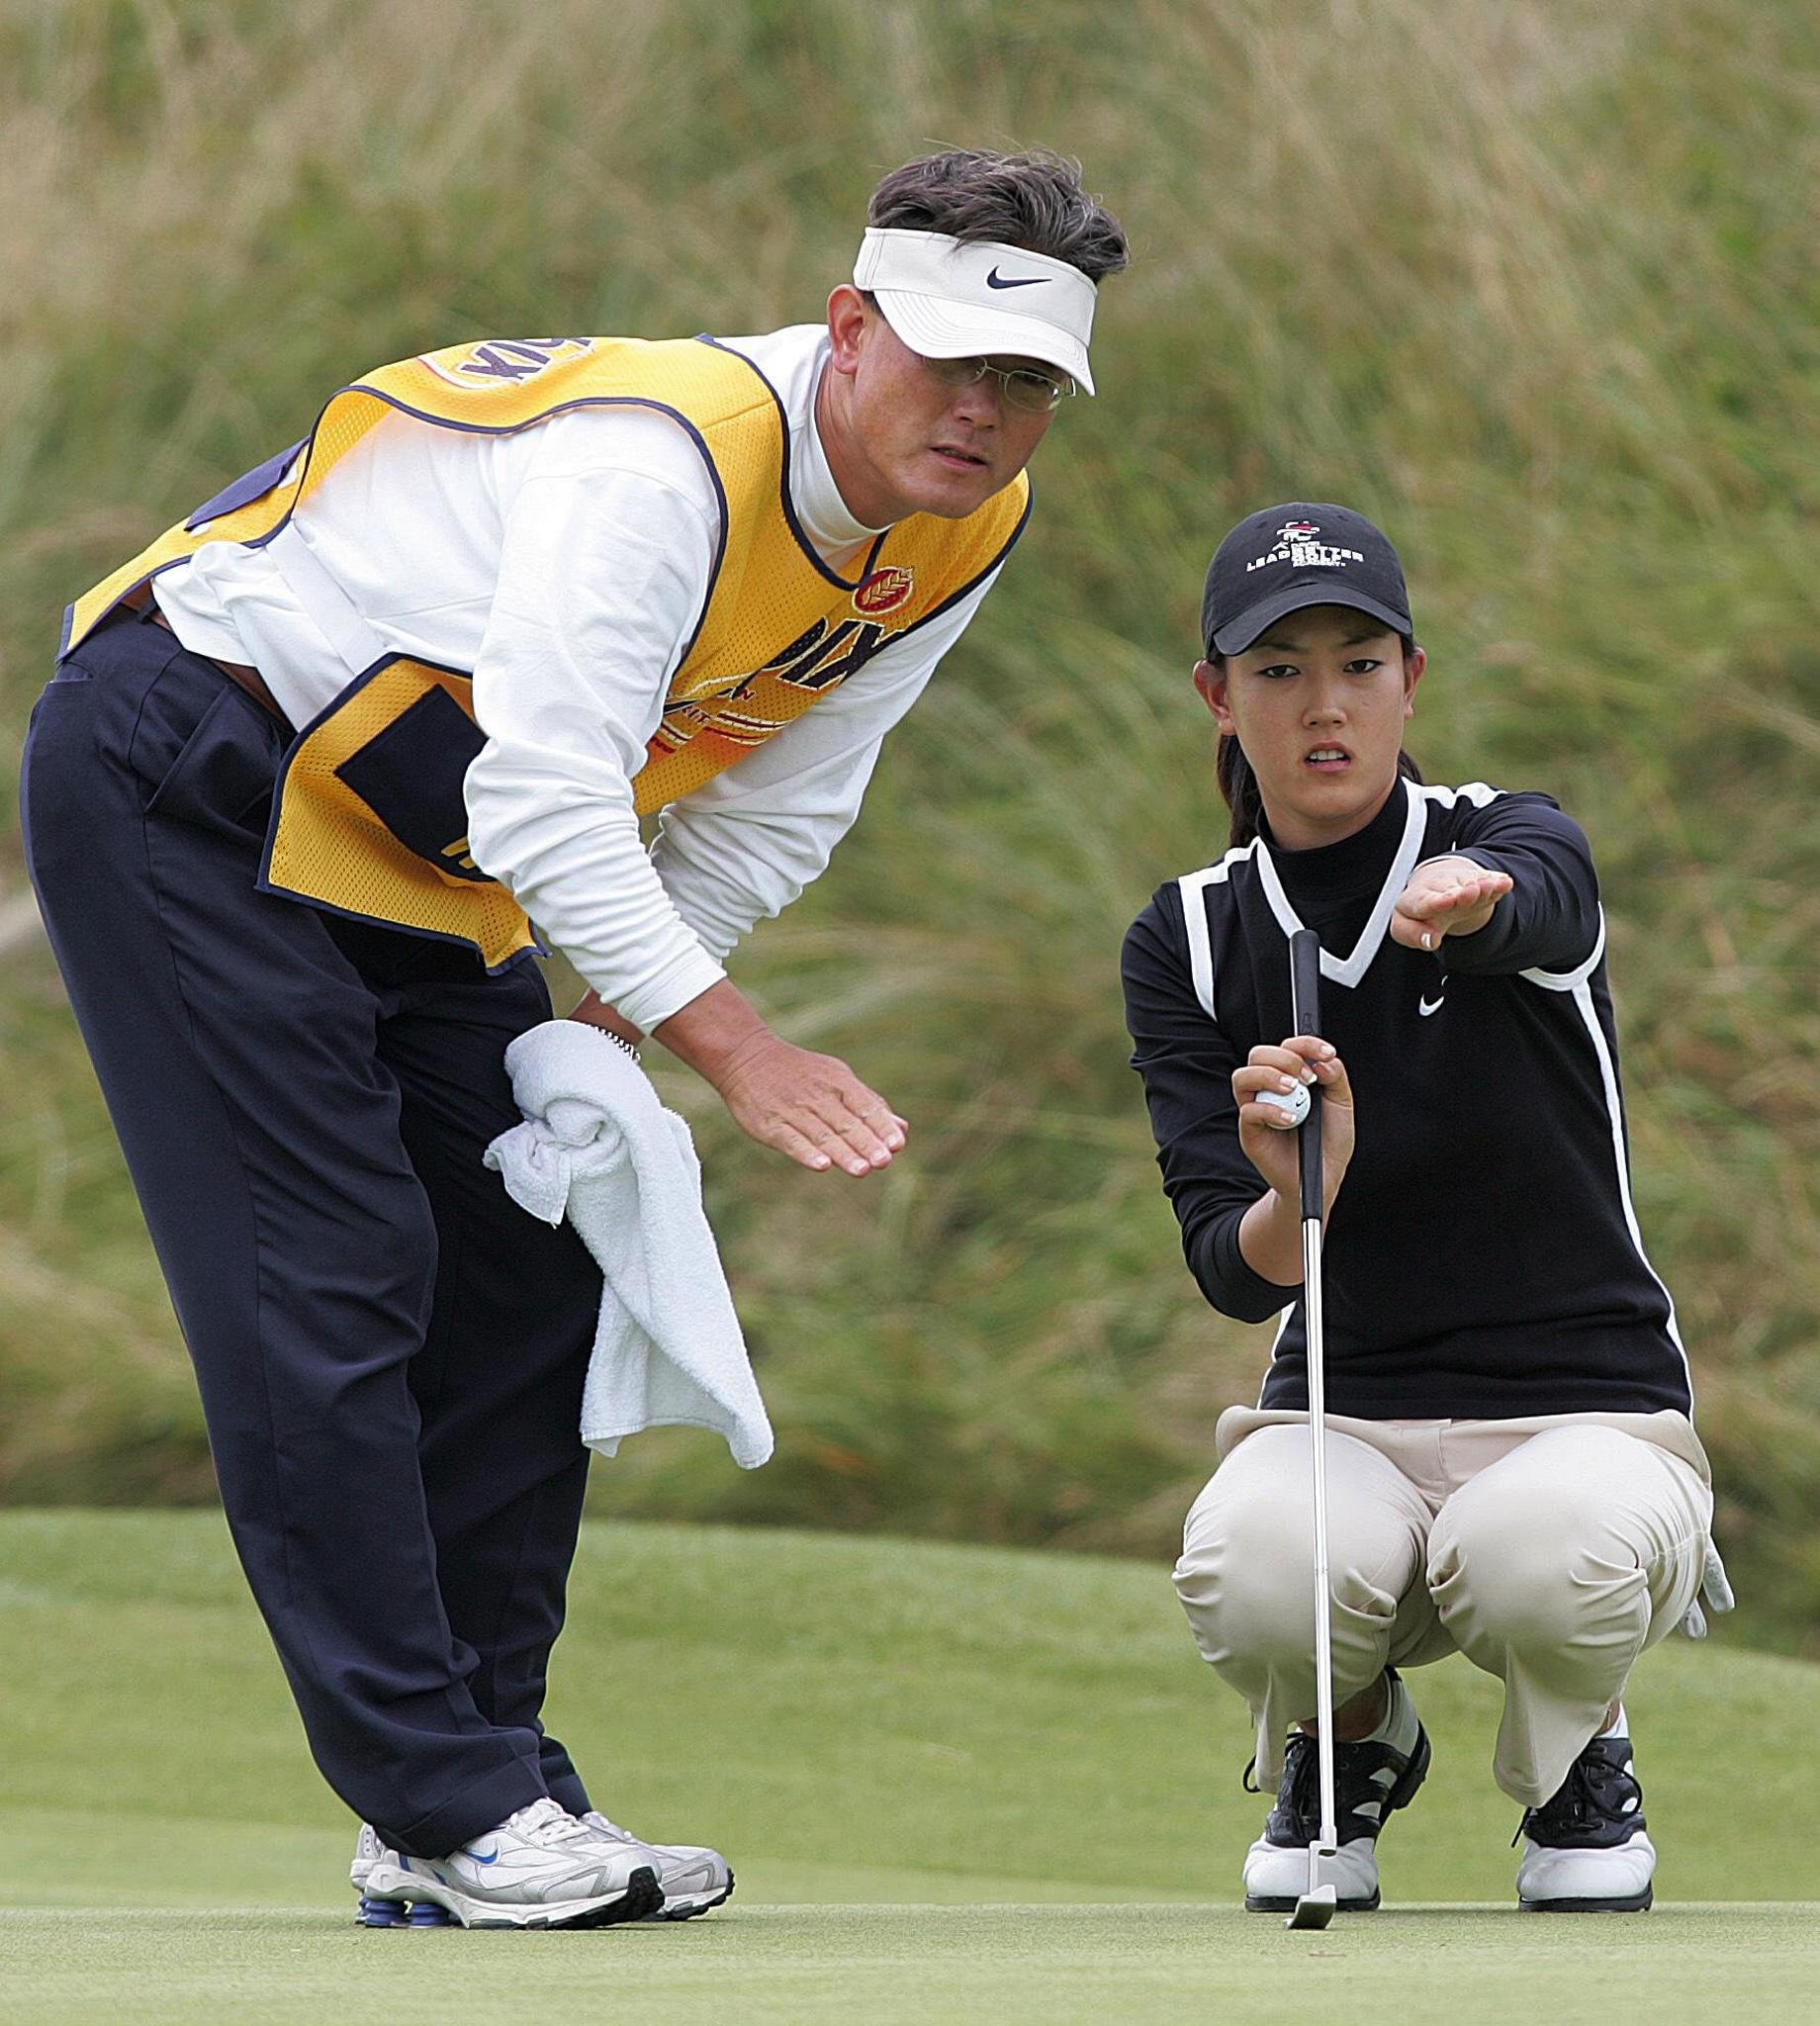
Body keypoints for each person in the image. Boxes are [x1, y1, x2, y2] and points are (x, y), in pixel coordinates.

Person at [23, 148, 1127, 1931]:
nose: (984, 415)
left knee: (533, 1253)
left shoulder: (960, 532)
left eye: (1028, 384)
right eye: (948, 361)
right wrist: (735, 1050)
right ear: (849, 329)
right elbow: (555, 795)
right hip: (195, 768)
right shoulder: (663, 462)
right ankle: (447, 1802)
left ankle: (478, 1789)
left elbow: (774, 806)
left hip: (420, 835)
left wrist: (608, 1028)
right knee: (332, 1270)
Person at [1121, 503, 1725, 1914]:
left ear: (1412, 680)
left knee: (1537, 1557)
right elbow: (1233, 1267)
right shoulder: (1191, 934)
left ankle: (1578, 1753)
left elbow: (1550, 901)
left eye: (1359, 664)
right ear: (1219, 697)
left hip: (1586, 1406)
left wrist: (1476, 901)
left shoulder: (1506, 838)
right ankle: (1348, 1741)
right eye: (1277, 672)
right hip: (1348, 1412)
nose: (1324, 706)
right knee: (1251, 1569)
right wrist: (1297, 1195)